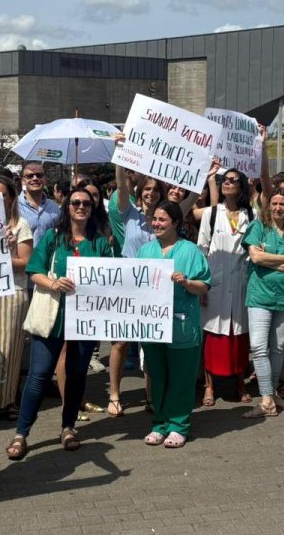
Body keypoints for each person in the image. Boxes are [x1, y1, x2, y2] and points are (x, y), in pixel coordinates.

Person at [6, 187, 114, 459]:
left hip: (85, 320)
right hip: (53, 316)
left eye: (86, 203)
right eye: (75, 202)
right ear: (67, 206)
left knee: (78, 375)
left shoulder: (100, 242)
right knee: (39, 375)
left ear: (93, 208)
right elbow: (34, 271)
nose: (81, 207)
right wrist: (53, 283)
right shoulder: (54, 238)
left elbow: (113, 277)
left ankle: (68, 427)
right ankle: (21, 433)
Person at [138, 200, 211, 448]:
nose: (156, 224)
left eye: (162, 220)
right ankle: (160, 423)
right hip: (153, 326)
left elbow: (205, 285)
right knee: (157, 376)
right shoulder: (146, 251)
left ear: (176, 224)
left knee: (181, 378)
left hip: (182, 326)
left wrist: (186, 282)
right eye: (155, 219)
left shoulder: (190, 251)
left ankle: (179, 425)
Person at [241, 189, 284, 418]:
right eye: (274, 203)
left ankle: (273, 394)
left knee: (278, 347)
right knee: (259, 347)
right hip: (260, 295)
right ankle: (267, 396)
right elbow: (256, 257)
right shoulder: (258, 227)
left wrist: (270, 263)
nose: (277, 208)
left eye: (282, 204)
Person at [110, 162, 166, 415]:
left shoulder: (164, 219)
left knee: (152, 345)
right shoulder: (128, 212)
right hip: (128, 285)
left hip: (155, 287)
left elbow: (189, 203)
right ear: (140, 191)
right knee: (121, 342)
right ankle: (114, 395)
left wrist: (205, 179)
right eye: (147, 189)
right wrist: (120, 160)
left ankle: (151, 396)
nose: (151, 193)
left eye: (155, 190)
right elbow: (122, 185)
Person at [197, 167, 255, 406]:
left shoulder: (250, 215)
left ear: (241, 187)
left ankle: (240, 384)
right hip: (216, 285)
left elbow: (253, 249)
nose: (227, 183)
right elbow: (201, 250)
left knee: (239, 336)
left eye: (233, 180)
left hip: (241, 283)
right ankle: (209, 387)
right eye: (225, 180)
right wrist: (202, 285)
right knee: (212, 336)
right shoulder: (211, 213)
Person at [0, 175, 33, 420]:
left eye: (2, 194)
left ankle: (6, 400)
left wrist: (3, 252)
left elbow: (25, 262)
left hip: (12, 292)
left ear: (11, 197)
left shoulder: (20, 225)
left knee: (8, 349)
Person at [18, 161, 60, 246]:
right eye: (29, 176)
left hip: (48, 258)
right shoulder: (14, 207)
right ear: (23, 181)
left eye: (39, 175)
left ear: (45, 179)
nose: (35, 178)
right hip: (25, 258)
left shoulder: (54, 207)